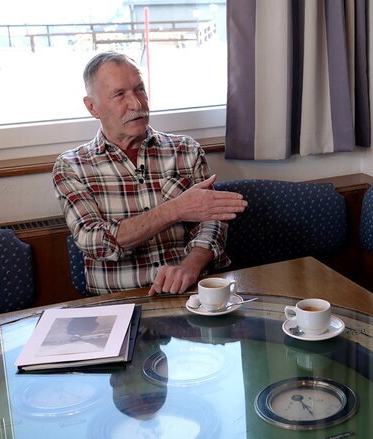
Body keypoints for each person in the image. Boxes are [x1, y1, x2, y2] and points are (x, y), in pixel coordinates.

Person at [53, 52, 247, 295]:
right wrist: (175, 209)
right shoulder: (71, 166)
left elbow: (212, 221)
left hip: (190, 291)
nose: (136, 104)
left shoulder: (185, 149)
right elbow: (94, 241)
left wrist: (190, 266)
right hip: (119, 301)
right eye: (119, 94)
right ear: (92, 107)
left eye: (140, 90)